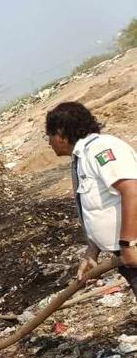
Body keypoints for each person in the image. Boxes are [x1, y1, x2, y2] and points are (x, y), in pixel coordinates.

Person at [45, 102, 137, 294]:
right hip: (125, 252)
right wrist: (92, 250)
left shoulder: (100, 149)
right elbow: (100, 206)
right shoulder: (83, 157)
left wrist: (128, 244)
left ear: (61, 134)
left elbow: (132, 191)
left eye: (50, 136)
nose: (49, 142)